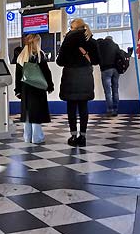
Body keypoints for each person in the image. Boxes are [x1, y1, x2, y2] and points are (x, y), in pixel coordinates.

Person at [56, 18, 100, 147]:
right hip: (85, 76)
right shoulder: (90, 40)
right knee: (83, 107)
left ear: (72, 28)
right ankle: (83, 137)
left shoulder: (68, 40)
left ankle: (73, 136)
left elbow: (60, 62)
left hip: (70, 76)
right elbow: (96, 60)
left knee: (71, 108)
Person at [15, 34, 54, 144]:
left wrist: (17, 90)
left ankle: (27, 137)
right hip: (38, 88)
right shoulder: (40, 55)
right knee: (36, 113)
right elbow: (46, 73)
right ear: (37, 43)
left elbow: (18, 75)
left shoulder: (21, 57)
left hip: (25, 89)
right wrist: (50, 86)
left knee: (27, 113)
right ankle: (37, 137)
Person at [97, 36, 121, 116]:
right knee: (115, 90)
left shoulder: (101, 45)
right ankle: (116, 109)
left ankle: (110, 110)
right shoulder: (116, 45)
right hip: (116, 70)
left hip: (106, 69)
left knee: (108, 91)